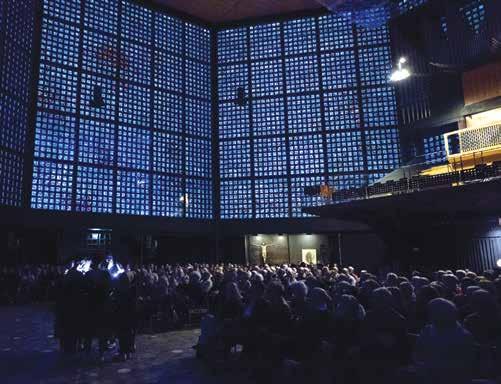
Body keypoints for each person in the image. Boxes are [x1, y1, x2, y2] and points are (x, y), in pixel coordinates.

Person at [414, 298, 475, 384]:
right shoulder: (427, 330)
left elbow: (465, 365)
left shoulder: (463, 336)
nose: (430, 316)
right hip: (429, 373)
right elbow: (418, 352)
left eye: (432, 313)